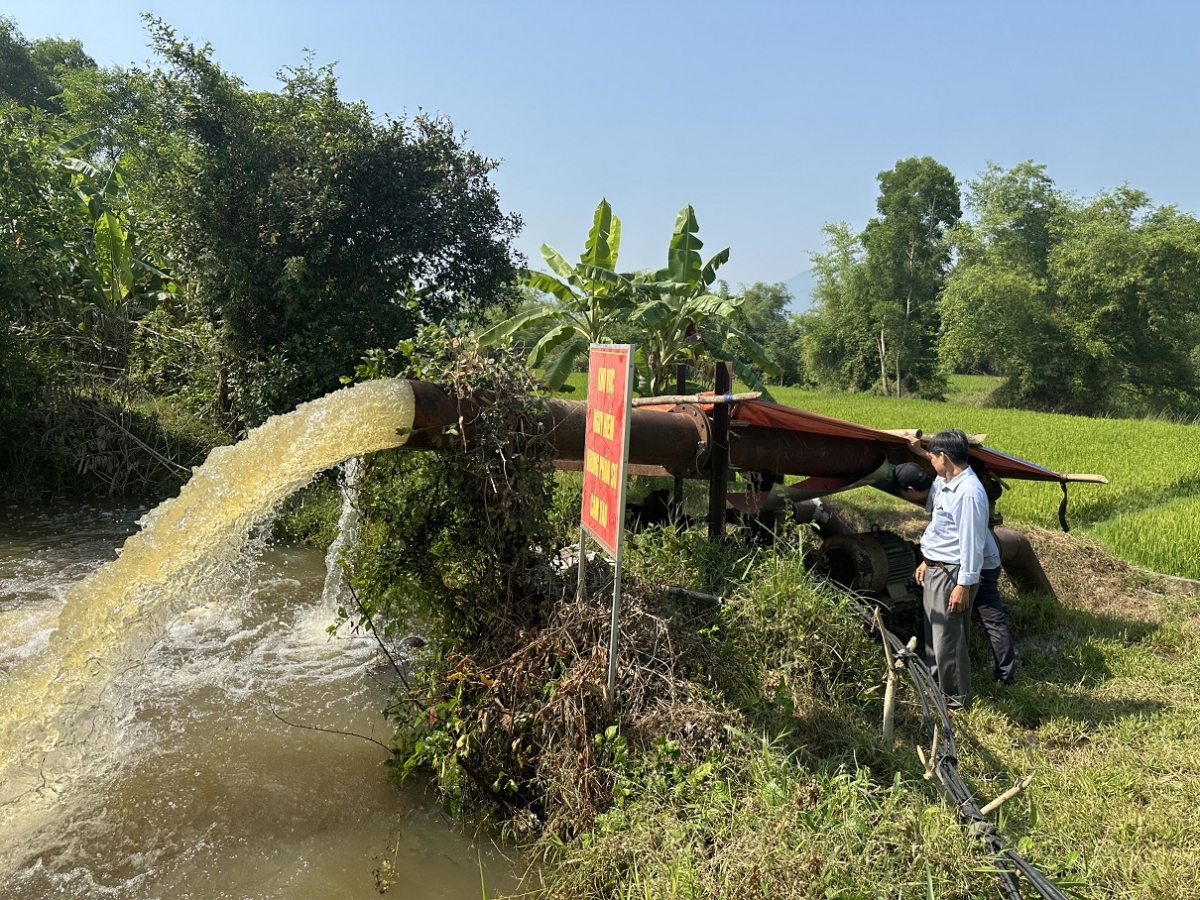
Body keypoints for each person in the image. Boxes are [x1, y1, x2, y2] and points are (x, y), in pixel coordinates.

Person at [894, 462, 1017, 686]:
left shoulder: (955, 491)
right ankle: (956, 677)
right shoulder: (942, 484)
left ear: (910, 490)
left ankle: (1003, 676)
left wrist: (963, 584)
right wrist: (927, 561)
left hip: (979, 565)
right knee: (974, 621)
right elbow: (941, 536)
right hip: (972, 563)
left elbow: (965, 544)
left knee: (989, 618)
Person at [906, 430, 992, 711]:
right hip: (936, 569)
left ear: (943, 457)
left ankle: (956, 703)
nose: (930, 462)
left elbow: (972, 544)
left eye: (932, 458)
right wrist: (927, 560)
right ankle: (937, 691)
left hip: (952, 575)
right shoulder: (946, 480)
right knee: (934, 636)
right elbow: (941, 528)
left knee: (949, 642)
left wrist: (963, 585)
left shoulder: (968, 493)